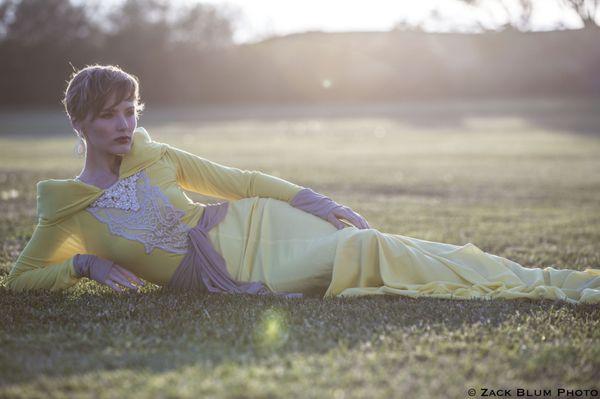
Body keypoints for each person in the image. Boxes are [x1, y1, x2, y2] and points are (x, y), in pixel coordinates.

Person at [5, 65, 600, 305]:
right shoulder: (67, 211)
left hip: (252, 225)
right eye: (109, 114)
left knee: (374, 241)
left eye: (130, 110)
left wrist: (312, 198)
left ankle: (545, 281)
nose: (124, 124)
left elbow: (238, 181)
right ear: (79, 123)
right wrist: (87, 268)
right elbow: (22, 280)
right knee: (368, 251)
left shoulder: (153, 153)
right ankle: (539, 283)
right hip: (226, 272)